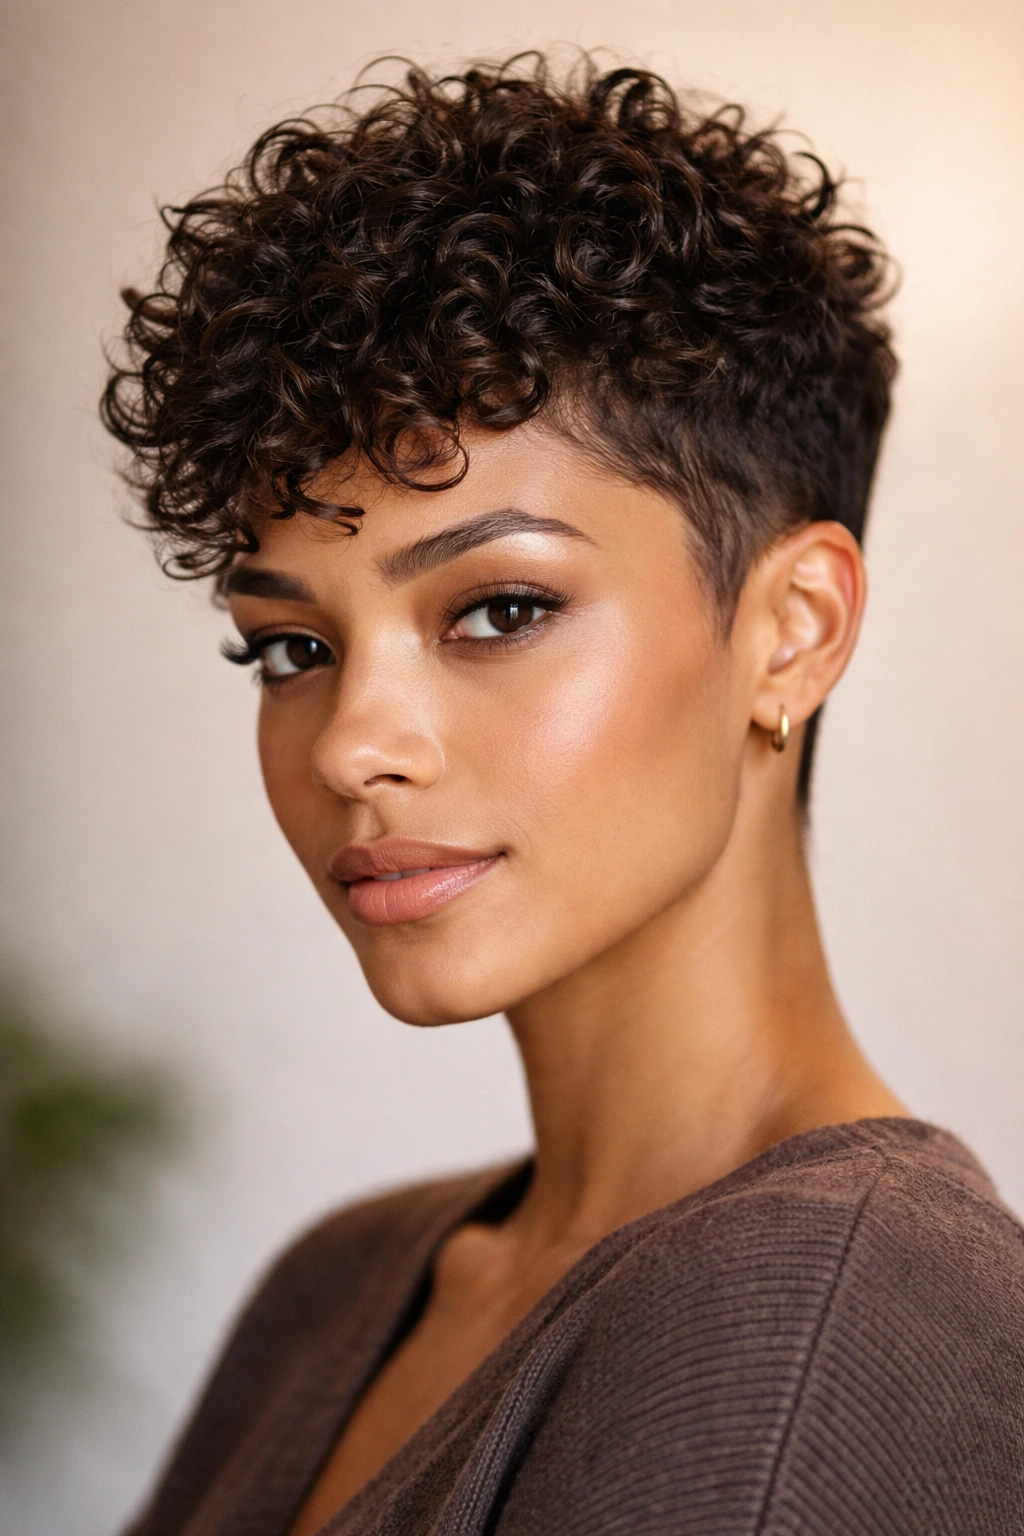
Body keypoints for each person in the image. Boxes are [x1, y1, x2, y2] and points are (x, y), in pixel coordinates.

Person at [102, 56, 1024, 1536]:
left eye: (499, 610)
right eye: (293, 645)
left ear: (791, 628)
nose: (351, 743)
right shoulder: (342, 1283)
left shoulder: (823, 1311)